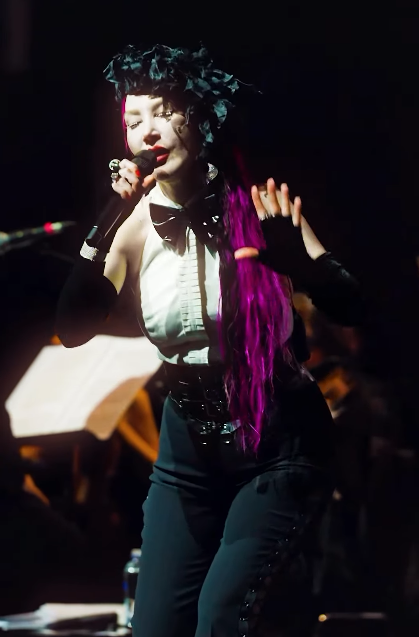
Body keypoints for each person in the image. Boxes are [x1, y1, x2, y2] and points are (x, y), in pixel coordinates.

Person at [56, 44, 365, 637]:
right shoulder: (135, 222)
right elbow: (73, 329)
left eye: (162, 112)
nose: (147, 131)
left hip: (278, 438)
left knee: (221, 617)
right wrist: (107, 220)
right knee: (154, 628)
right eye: (133, 120)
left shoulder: (258, 204)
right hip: (187, 453)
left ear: (199, 118)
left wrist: (303, 266)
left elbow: (353, 308)